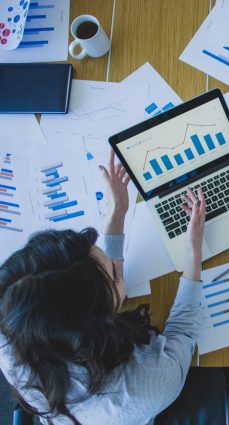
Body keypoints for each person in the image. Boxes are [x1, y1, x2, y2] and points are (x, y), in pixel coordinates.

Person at [0, 151, 206, 424]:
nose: (119, 262)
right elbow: (183, 332)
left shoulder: (12, 324)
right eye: (113, 272)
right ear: (101, 321)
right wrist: (193, 253)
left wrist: (117, 212)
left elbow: (77, 284)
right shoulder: (146, 385)